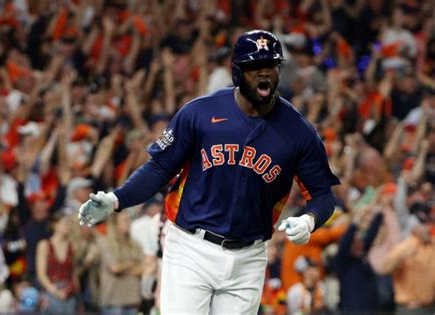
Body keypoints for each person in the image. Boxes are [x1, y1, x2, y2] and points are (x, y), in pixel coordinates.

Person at [78, 29, 340, 314]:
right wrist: (117, 199)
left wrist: (310, 221)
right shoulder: (199, 113)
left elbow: (322, 195)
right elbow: (160, 167)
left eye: (271, 67)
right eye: (254, 67)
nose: (264, 74)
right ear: (237, 72)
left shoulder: (298, 131)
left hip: (249, 256)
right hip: (191, 248)